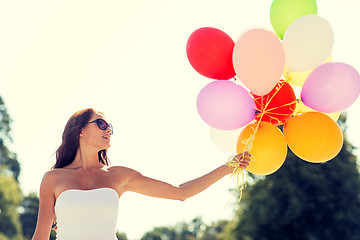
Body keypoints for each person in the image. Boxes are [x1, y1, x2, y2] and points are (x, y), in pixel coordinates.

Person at [31, 108, 250, 240]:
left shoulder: (118, 176)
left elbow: (180, 192)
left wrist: (227, 167)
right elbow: (41, 236)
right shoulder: (53, 179)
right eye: (101, 124)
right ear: (80, 130)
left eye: (110, 127)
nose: (108, 130)